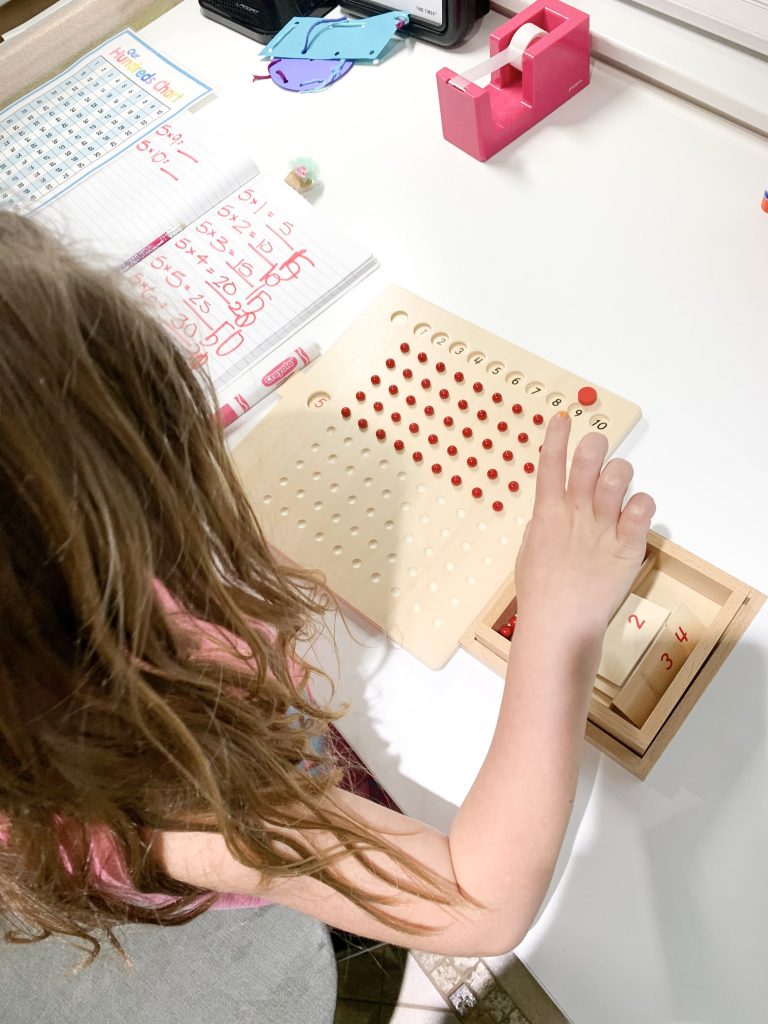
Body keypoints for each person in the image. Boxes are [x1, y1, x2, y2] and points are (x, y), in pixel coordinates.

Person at [0, 210, 654, 978]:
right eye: (155, 469)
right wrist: (559, 622)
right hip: (279, 787)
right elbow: (477, 902)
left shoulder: (45, 624)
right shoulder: (174, 810)